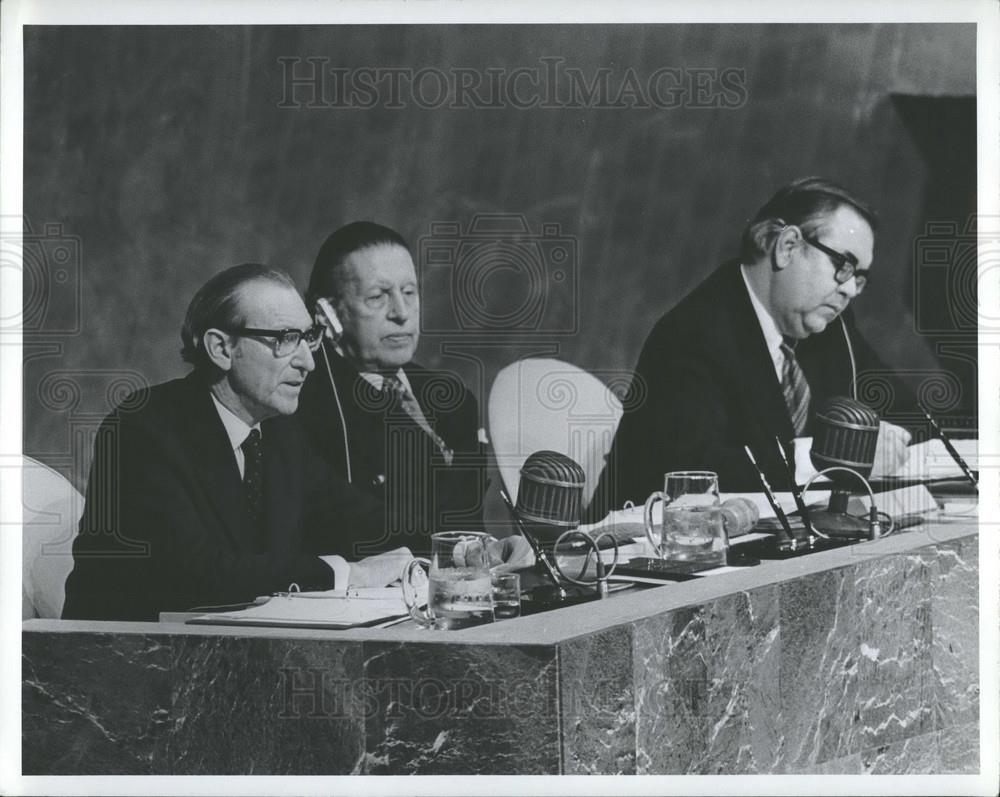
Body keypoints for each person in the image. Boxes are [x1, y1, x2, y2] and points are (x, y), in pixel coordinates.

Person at [62, 264, 393, 621]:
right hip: (120, 661)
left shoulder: (281, 433)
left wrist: (454, 548)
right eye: (285, 338)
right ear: (221, 348)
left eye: (308, 337)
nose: (308, 362)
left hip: (226, 659)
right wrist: (347, 574)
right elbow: (199, 574)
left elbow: (363, 520)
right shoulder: (144, 427)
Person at [592, 177, 912, 513]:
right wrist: (830, 457)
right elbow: (691, 474)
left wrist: (888, 441)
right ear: (788, 246)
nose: (849, 290)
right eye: (843, 266)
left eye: (860, 277)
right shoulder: (694, 331)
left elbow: (908, 411)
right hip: (641, 547)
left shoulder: (830, 327)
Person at [297, 221, 488, 557]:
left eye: (409, 292)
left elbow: (469, 524)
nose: (401, 313)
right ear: (328, 314)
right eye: (377, 297)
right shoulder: (307, 406)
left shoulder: (453, 400)